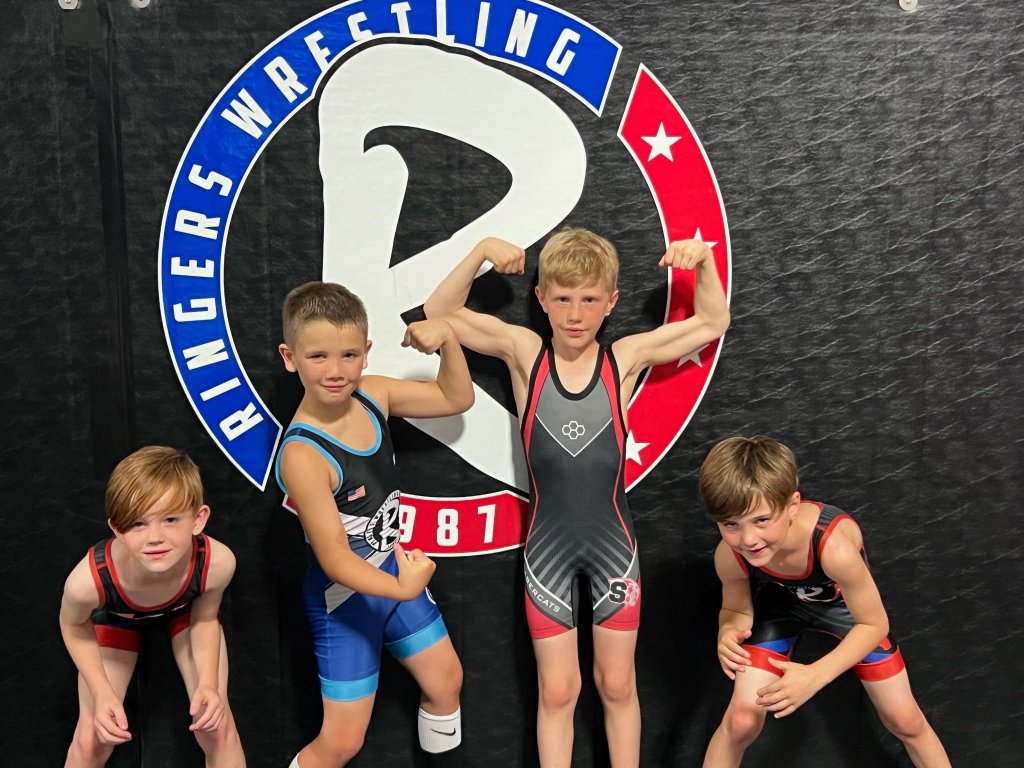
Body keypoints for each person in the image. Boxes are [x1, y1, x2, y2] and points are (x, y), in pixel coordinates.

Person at [424, 229, 730, 767]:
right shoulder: (525, 353)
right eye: (562, 298)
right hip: (548, 552)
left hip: (614, 548)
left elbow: (712, 322)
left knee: (617, 683)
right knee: (558, 690)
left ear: (611, 302)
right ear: (540, 298)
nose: (575, 314)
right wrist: (480, 251)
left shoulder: (624, 358)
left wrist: (703, 263)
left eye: (589, 299)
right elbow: (439, 311)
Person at [275, 281, 474, 768]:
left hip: (393, 576)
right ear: (290, 358)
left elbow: (456, 397)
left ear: (366, 352)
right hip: (345, 600)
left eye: (348, 355)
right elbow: (335, 559)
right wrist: (403, 588)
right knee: (342, 742)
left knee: (446, 681)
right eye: (318, 357)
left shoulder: (373, 394)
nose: (335, 371)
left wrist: (449, 340)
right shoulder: (302, 455)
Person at [699, 435, 951, 768]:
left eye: (761, 520)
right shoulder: (730, 555)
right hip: (781, 607)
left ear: (792, 505)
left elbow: (875, 624)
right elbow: (736, 608)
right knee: (740, 721)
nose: (748, 539)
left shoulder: (832, 547)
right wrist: (729, 630)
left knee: (904, 719)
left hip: (849, 614)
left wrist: (814, 675)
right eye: (730, 524)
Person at [59, 446, 245, 768]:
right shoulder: (87, 581)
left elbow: (204, 618)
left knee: (217, 725)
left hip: (186, 612)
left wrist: (208, 685)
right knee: (91, 739)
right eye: (137, 524)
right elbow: (73, 626)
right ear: (117, 529)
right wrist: (102, 693)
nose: (155, 537)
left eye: (170, 519)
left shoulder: (217, 562)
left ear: (198, 519)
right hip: (117, 616)